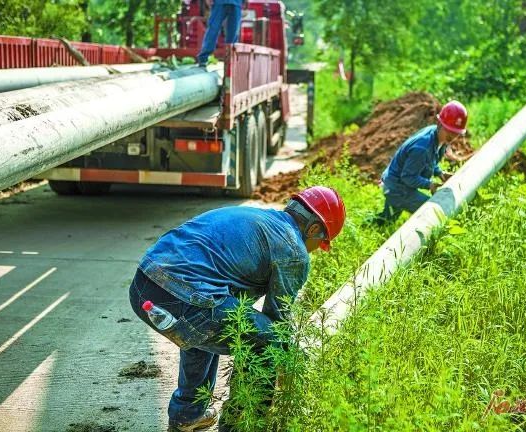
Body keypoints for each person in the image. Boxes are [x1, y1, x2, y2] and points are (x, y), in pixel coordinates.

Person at [128, 186, 346, 432]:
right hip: (186, 297)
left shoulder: (258, 219)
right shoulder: (293, 249)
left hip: (143, 287)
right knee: (266, 341)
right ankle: (241, 426)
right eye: (321, 242)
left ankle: (188, 415)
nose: (316, 249)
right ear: (314, 229)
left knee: (216, 323)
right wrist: (289, 363)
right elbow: (278, 320)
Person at [375, 100, 468, 223]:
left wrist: (440, 173)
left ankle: (368, 225)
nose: (452, 136)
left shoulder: (438, 137)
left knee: (385, 220)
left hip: (396, 183)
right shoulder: (422, 148)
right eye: (449, 131)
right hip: (397, 188)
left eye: (455, 133)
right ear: (440, 124)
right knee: (430, 211)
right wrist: (429, 184)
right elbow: (407, 177)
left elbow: (429, 161)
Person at [197, 0, 246, 67]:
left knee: (233, 32)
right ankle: (203, 58)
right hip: (221, 2)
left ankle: (230, 59)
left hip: (235, 3)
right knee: (213, 29)